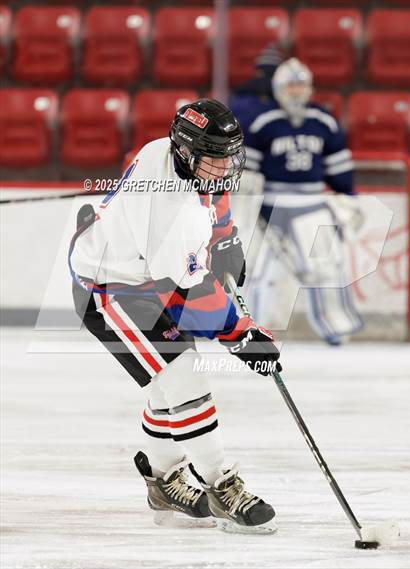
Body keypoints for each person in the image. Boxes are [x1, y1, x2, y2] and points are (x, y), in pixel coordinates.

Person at [69, 99, 281, 534]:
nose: (224, 168)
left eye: (227, 157)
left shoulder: (167, 153)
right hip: (111, 289)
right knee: (185, 377)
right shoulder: (171, 215)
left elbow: (210, 196)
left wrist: (223, 237)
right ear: (185, 152)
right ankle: (221, 485)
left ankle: (162, 478)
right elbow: (192, 296)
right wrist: (241, 336)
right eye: (214, 158)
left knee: (169, 389)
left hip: (143, 275)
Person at [242, 58, 364, 346]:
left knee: (326, 268)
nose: (296, 92)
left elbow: (338, 168)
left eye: (301, 85)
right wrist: (249, 207)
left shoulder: (323, 121)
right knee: (262, 272)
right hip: (272, 204)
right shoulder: (262, 122)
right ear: (278, 88)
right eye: (291, 86)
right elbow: (247, 174)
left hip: (312, 204)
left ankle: (336, 327)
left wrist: (348, 196)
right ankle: (255, 330)